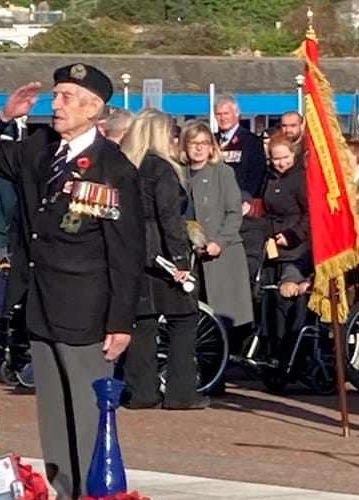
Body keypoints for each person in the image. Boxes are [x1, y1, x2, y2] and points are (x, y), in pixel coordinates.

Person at [0, 64, 145, 500]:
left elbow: (125, 252)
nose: (55, 104)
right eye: (56, 95)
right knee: (52, 415)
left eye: (65, 96)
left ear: (94, 108)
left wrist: (121, 319)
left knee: (85, 414)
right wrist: (3, 116)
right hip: (40, 301)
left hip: (87, 308)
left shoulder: (113, 168)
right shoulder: (38, 149)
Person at [120, 109, 206, 410]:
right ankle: (181, 391)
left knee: (142, 323)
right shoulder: (162, 170)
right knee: (184, 319)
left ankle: (142, 391)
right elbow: (169, 217)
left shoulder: (127, 166)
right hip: (161, 253)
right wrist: (181, 260)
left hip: (132, 250)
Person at [181, 120, 252, 339]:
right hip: (190, 255)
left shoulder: (223, 172)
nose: (199, 148)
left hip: (221, 254)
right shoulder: (179, 173)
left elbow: (234, 212)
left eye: (204, 143)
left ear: (212, 147)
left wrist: (219, 242)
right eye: (194, 143)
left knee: (223, 319)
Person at [262, 132, 311, 285]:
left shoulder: (301, 178)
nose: (282, 163)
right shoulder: (269, 177)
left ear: (293, 155)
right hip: (274, 247)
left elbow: (309, 213)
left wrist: (292, 236)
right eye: (276, 159)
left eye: (286, 158)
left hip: (296, 250)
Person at [215, 94, 266, 201]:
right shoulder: (212, 140)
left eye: (226, 113)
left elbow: (257, 175)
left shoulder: (251, 141)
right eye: (218, 114)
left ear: (236, 113)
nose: (222, 118)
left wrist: (247, 198)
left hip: (240, 199)